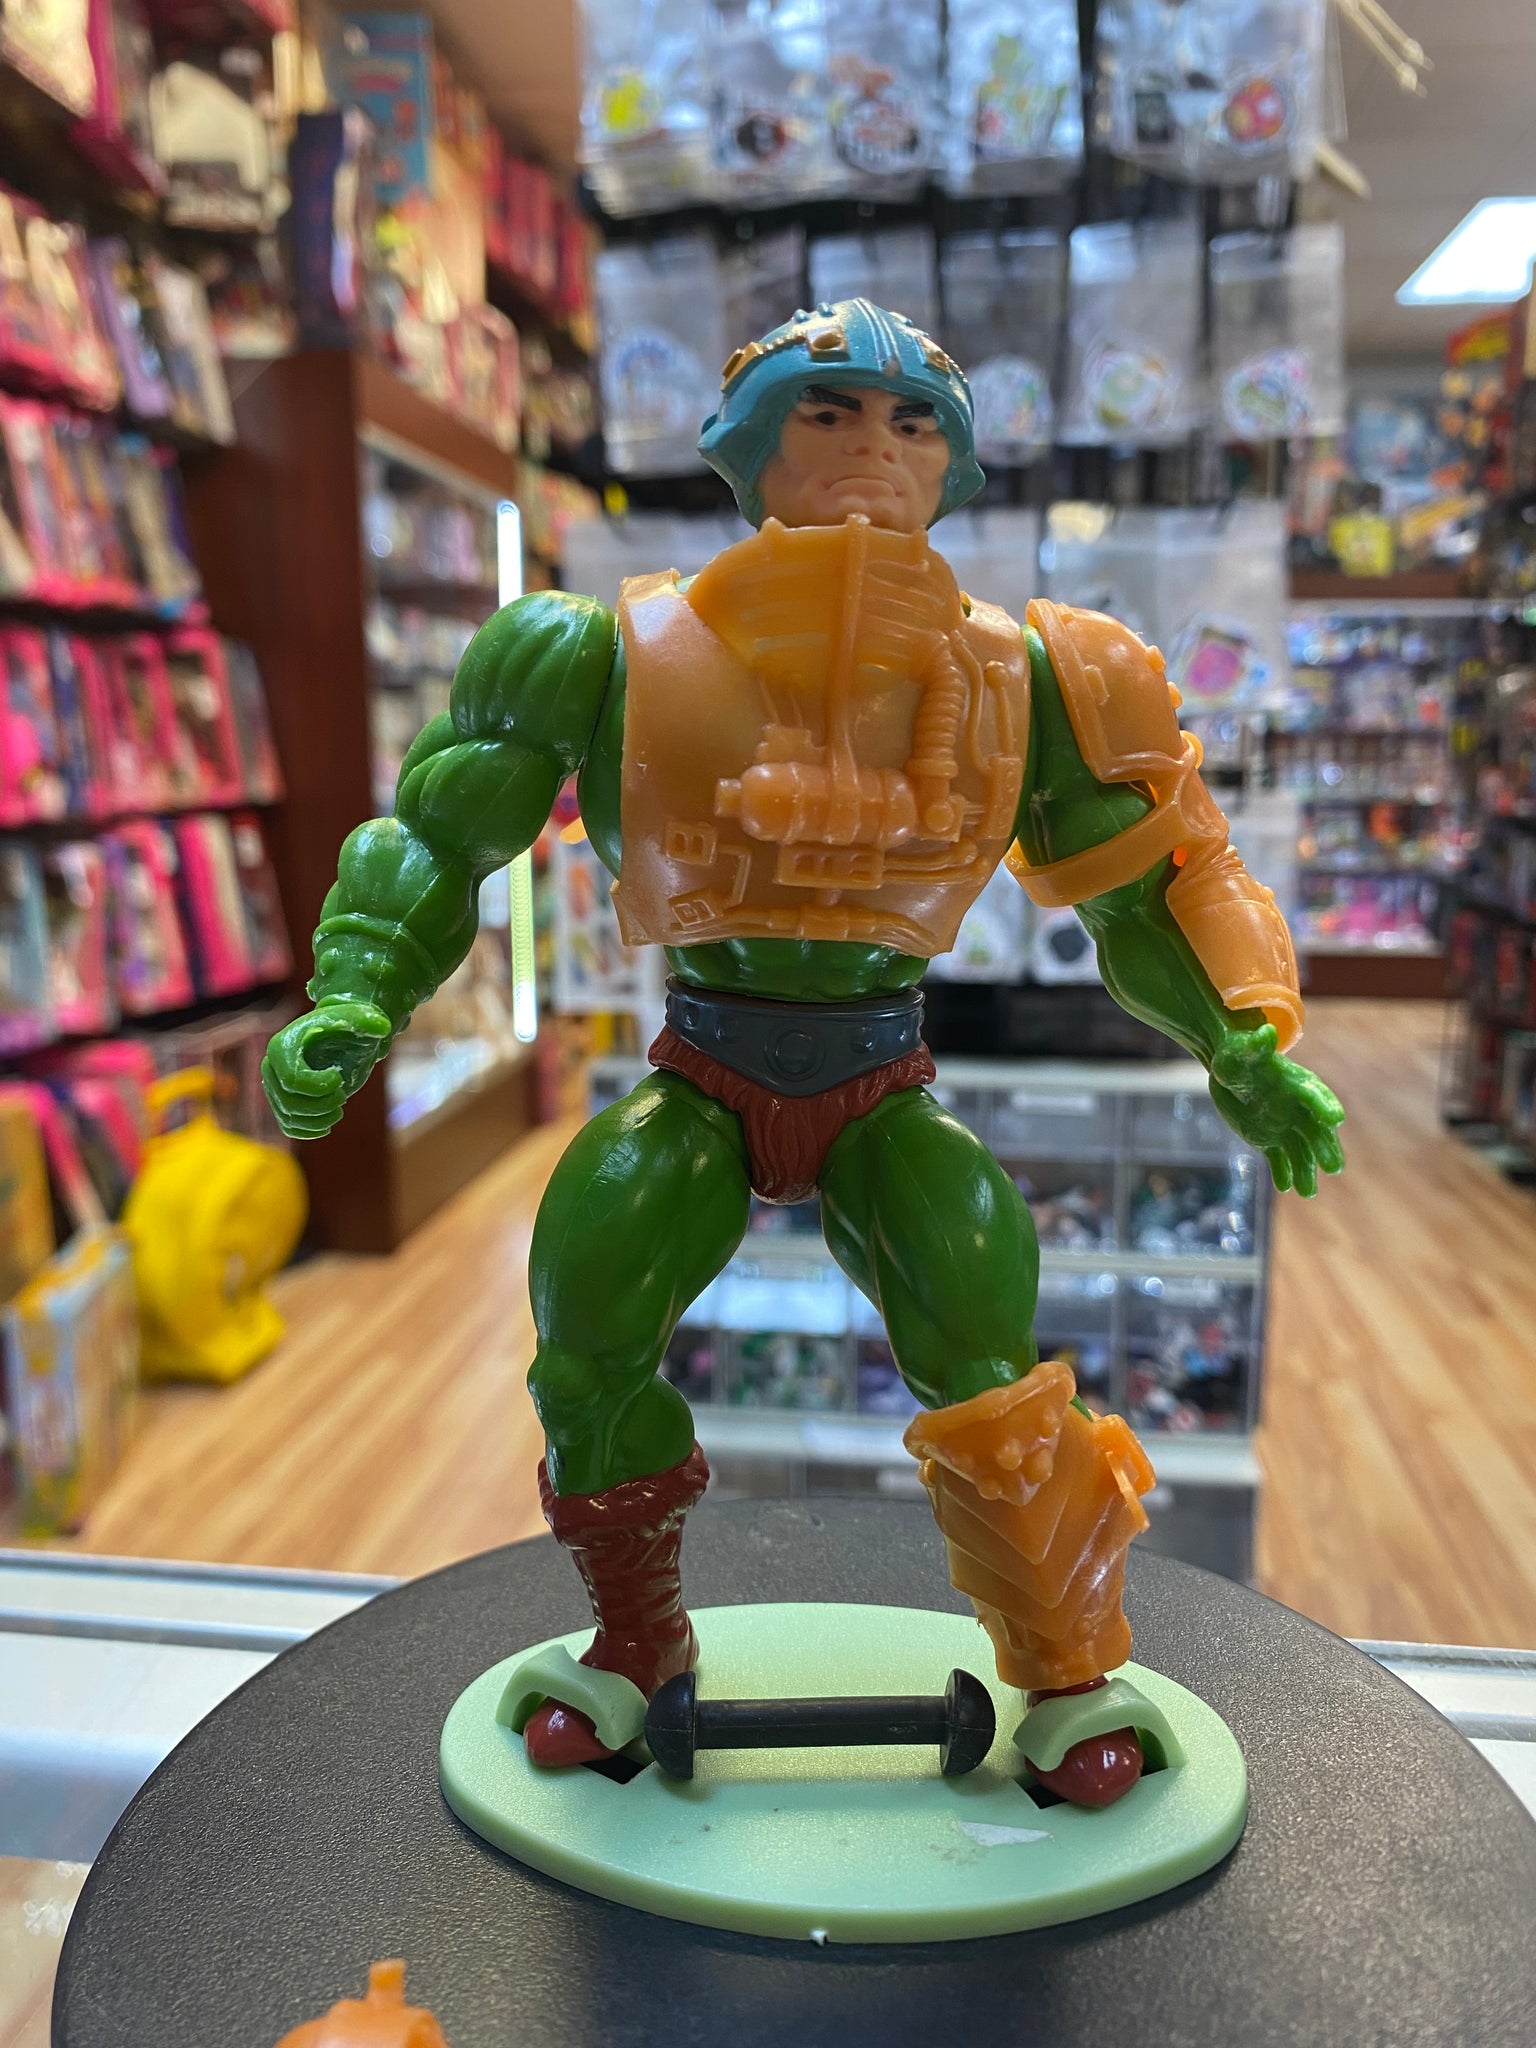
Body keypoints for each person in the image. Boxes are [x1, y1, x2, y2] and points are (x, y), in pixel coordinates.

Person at [263, 299, 1343, 1807]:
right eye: (828, 412)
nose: (871, 448)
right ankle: (634, 1643)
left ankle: (1063, 1673)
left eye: (913, 422)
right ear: (750, 449)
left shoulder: (1036, 674)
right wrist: (359, 992)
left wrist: (1241, 1037)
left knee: (988, 1353)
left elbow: (1151, 889)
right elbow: (441, 838)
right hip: (701, 1066)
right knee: (585, 1332)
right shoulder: (597, 649)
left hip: (882, 1076)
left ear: (954, 467)